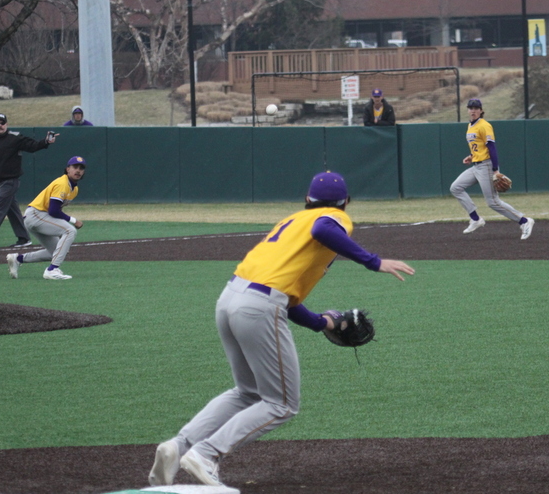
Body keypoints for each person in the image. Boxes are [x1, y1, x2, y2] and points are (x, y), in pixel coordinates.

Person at [148, 171, 415, 488]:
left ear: (306, 199)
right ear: (346, 202)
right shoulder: (332, 217)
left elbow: (285, 297)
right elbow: (323, 228)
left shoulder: (290, 223)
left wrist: (321, 322)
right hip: (258, 307)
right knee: (282, 404)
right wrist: (373, 261)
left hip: (230, 299)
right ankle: (206, 454)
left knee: (247, 392)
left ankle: (177, 447)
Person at [450, 98, 534, 240]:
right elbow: (479, 146)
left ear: (481, 110)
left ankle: (524, 221)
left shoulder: (484, 125)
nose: (473, 110)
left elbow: (491, 147)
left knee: (492, 202)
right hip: (476, 165)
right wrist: (471, 156)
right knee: (456, 188)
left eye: (476, 108)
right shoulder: (471, 125)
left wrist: (495, 170)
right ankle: (476, 219)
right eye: (470, 108)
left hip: (486, 166)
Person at [0, 113, 58, 249]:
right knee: (12, 211)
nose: (0, 125)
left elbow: (33, 145)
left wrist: (46, 141)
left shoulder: (15, 138)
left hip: (10, 181)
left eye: (3, 122)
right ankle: (24, 238)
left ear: (6, 124)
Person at [6, 156, 86, 281]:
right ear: (67, 169)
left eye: (81, 168)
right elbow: (53, 210)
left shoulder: (74, 189)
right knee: (70, 230)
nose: (78, 170)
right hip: (36, 215)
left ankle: (17, 259)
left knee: (56, 252)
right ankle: (52, 270)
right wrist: (74, 221)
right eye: (75, 167)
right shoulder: (62, 183)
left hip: (38, 217)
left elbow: (55, 211)